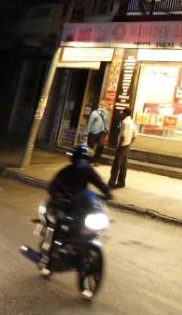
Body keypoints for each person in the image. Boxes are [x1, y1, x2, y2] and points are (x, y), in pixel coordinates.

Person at [41, 145, 112, 276]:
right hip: (61, 205)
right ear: (75, 159)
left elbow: (99, 182)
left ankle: (78, 248)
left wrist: (108, 193)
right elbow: (53, 187)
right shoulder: (66, 171)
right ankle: (49, 261)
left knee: (85, 224)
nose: (83, 162)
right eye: (80, 159)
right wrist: (59, 197)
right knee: (60, 227)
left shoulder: (88, 171)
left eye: (85, 160)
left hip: (78, 206)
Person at [109, 111, 137, 189]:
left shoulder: (124, 122)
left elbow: (123, 135)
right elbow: (135, 135)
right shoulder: (132, 122)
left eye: (122, 113)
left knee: (116, 165)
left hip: (122, 146)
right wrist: (130, 144)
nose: (121, 114)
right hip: (127, 146)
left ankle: (112, 183)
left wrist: (119, 146)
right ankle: (121, 182)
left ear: (125, 113)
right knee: (124, 165)